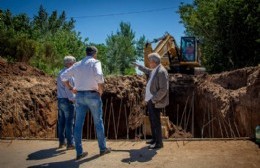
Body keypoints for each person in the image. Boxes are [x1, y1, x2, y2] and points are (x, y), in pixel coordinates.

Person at [61, 46, 111, 160]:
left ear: (86, 53)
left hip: (79, 96)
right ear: (94, 53)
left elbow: (63, 76)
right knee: (98, 122)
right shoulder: (95, 62)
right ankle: (103, 149)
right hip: (93, 95)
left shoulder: (77, 64)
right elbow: (99, 76)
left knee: (78, 124)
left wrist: (71, 88)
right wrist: (100, 90)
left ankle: (79, 152)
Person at [132, 53, 169, 149]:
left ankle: (159, 143)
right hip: (151, 100)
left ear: (154, 62)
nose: (149, 63)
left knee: (156, 122)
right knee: (152, 121)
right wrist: (138, 66)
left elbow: (163, 90)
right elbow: (148, 71)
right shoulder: (155, 70)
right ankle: (154, 139)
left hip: (155, 102)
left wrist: (154, 99)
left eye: (150, 61)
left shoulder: (161, 72)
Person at [57, 55, 76, 150]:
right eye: (74, 63)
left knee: (62, 122)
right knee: (69, 123)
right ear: (69, 63)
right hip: (67, 100)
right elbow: (69, 90)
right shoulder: (68, 75)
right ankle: (70, 144)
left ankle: (61, 142)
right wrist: (73, 99)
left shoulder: (60, 72)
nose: (75, 64)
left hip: (60, 99)